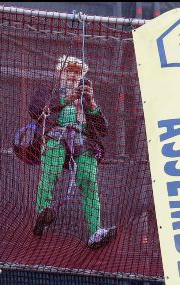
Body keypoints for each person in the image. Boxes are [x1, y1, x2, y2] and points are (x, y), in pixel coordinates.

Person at [28, 55, 116, 249]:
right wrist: (66, 99)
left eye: (77, 72)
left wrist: (92, 104)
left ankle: (95, 231)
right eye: (69, 71)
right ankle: (43, 212)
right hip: (56, 138)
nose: (73, 75)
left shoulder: (86, 99)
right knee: (51, 172)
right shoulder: (47, 93)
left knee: (89, 181)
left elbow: (103, 130)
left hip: (83, 142)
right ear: (60, 73)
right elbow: (35, 110)